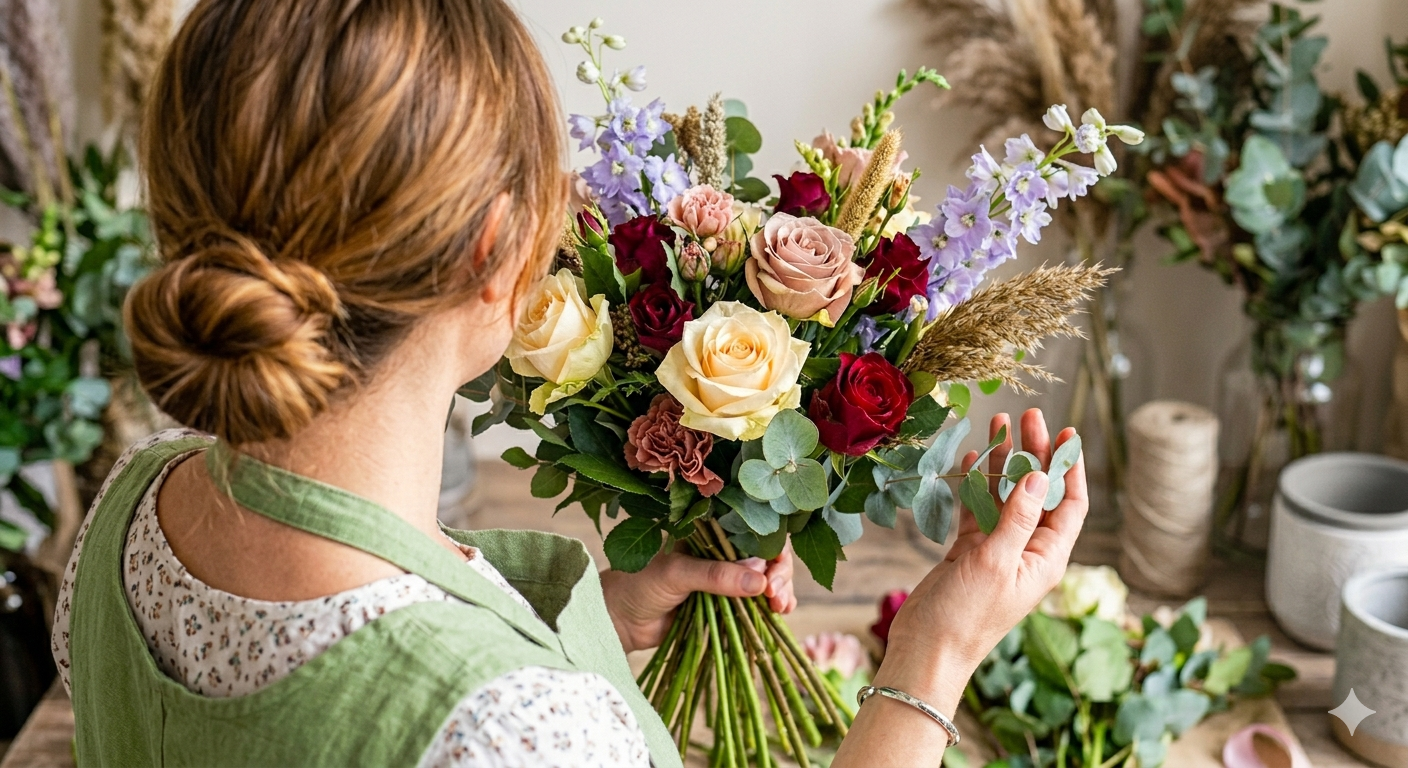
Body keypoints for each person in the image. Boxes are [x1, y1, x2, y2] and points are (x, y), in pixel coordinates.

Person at [51, 1, 1087, 766]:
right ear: (494, 253)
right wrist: (934, 650)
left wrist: (597, 626)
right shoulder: (511, 728)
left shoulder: (130, 511)